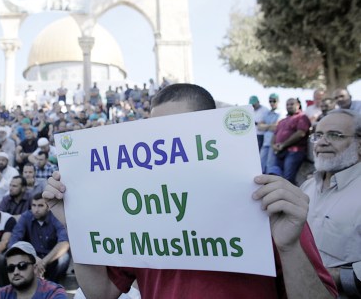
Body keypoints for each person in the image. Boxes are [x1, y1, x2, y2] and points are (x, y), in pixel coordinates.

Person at [43, 83, 337, 298]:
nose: (166, 146)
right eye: (155, 135)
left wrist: (288, 247)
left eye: (179, 131)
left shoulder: (267, 200)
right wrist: (78, 223)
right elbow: (101, 293)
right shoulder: (140, 209)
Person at [301, 109, 361, 297]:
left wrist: (330, 276)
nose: (322, 142)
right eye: (318, 135)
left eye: (335, 135)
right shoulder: (306, 187)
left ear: (359, 145)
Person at [9, 193, 70, 282]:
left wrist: (43, 262)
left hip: (51, 257)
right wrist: (32, 256)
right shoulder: (26, 216)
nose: (36, 210)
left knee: (64, 258)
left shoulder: (56, 217)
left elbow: (64, 243)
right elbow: (14, 241)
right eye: (33, 205)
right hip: (32, 256)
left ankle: (54, 284)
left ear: (48, 207)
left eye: (40, 206)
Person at [0, 241, 67, 299]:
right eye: (11, 268)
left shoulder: (53, 292)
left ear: (35, 267)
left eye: (22, 266)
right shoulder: (3, 294)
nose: (15, 272)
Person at [269, 98, 311, 184]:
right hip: (279, 151)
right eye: (287, 104)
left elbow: (301, 133)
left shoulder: (302, 117)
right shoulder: (282, 121)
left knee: (288, 179)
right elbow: (275, 134)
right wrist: (273, 145)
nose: (289, 106)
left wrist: (283, 145)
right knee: (274, 175)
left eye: (292, 104)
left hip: (294, 151)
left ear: (298, 105)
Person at [258, 93, 281, 173]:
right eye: (270, 101)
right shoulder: (267, 113)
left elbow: (276, 127)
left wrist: (265, 126)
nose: (272, 103)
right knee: (260, 165)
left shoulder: (281, 113)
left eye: (274, 101)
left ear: (278, 101)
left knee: (270, 166)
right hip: (265, 142)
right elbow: (259, 126)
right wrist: (270, 126)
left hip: (273, 143)